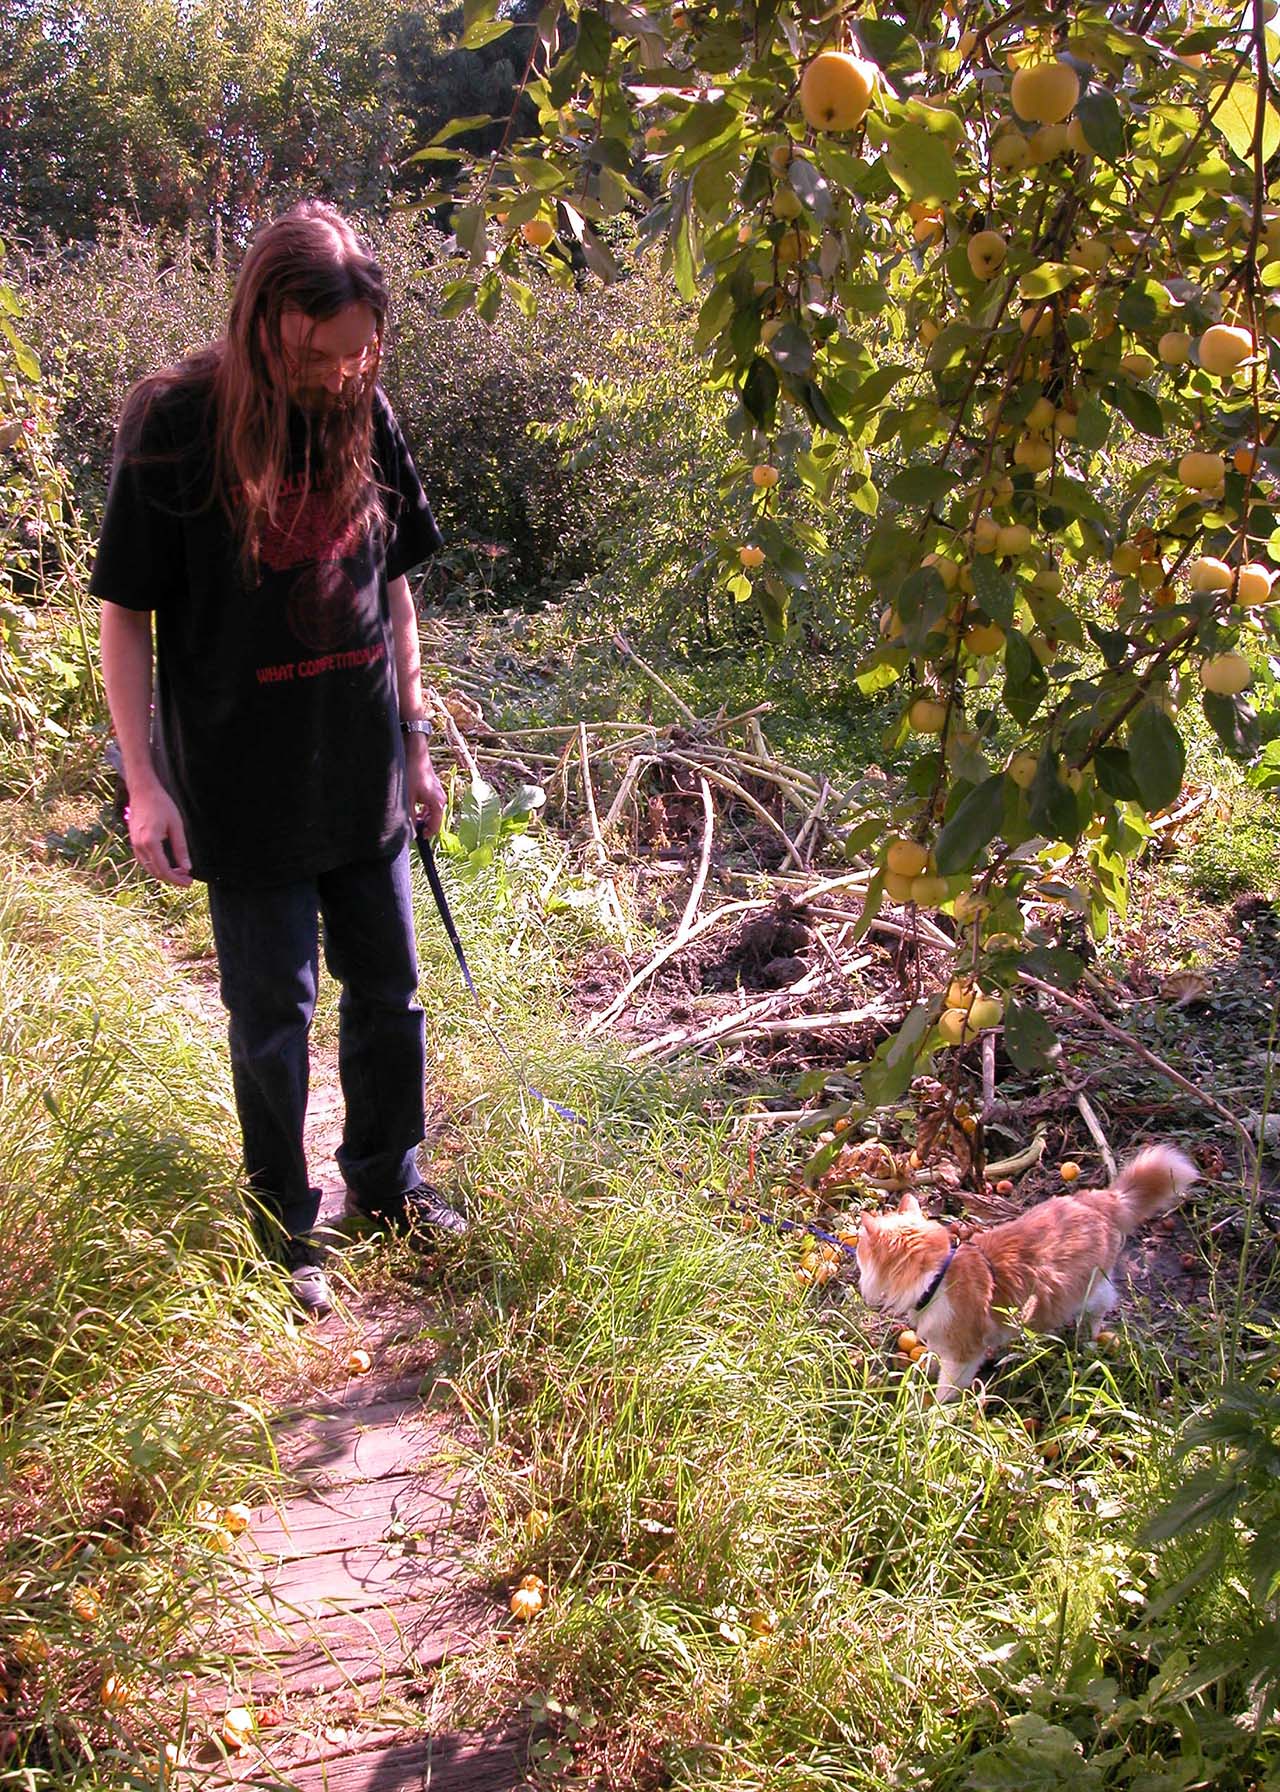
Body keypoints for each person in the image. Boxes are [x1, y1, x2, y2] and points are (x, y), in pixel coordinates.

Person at [92, 201, 468, 1317]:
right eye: (314, 357)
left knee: (390, 992)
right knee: (272, 1019)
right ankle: (282, 1227)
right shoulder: (175, 423)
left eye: (357, 354)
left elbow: (393, 590)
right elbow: (124, 616)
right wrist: (144, 782)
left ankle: (388, 1185)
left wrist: (414, 743)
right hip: (239, 785)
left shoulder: (364, 409)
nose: (337, 377)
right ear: (262, 323)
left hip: (361, 771)